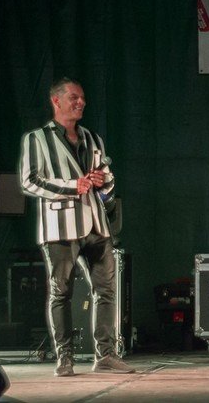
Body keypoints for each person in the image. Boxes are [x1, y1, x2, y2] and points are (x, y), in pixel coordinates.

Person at [18, 77, 135, 376]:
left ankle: (105, 355)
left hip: (96, 225)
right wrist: (72, 186)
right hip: (60, 227)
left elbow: (107, 180)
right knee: (61, 293)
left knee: (106, 291)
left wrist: (103, 181)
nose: (81, 102)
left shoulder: (92, 138)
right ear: (56, 101)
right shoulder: (37, 139)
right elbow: (30, 181)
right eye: (74, 97)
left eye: (82, 98)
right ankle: (65, 357)